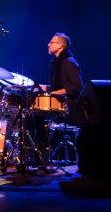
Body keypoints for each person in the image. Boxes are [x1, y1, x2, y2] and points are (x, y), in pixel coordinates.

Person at [35, 32, 83, 165]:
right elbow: (57, 87)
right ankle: (41, 153)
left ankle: (43, 153)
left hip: (69, 107)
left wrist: (56, 92)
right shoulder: (58, 63)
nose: (48, 44)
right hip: (60, 104)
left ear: (60, 45)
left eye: (51, 42)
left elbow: (77, 87)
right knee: (33, 114)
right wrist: (38, 87)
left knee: (35, 117)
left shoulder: (68, 62)